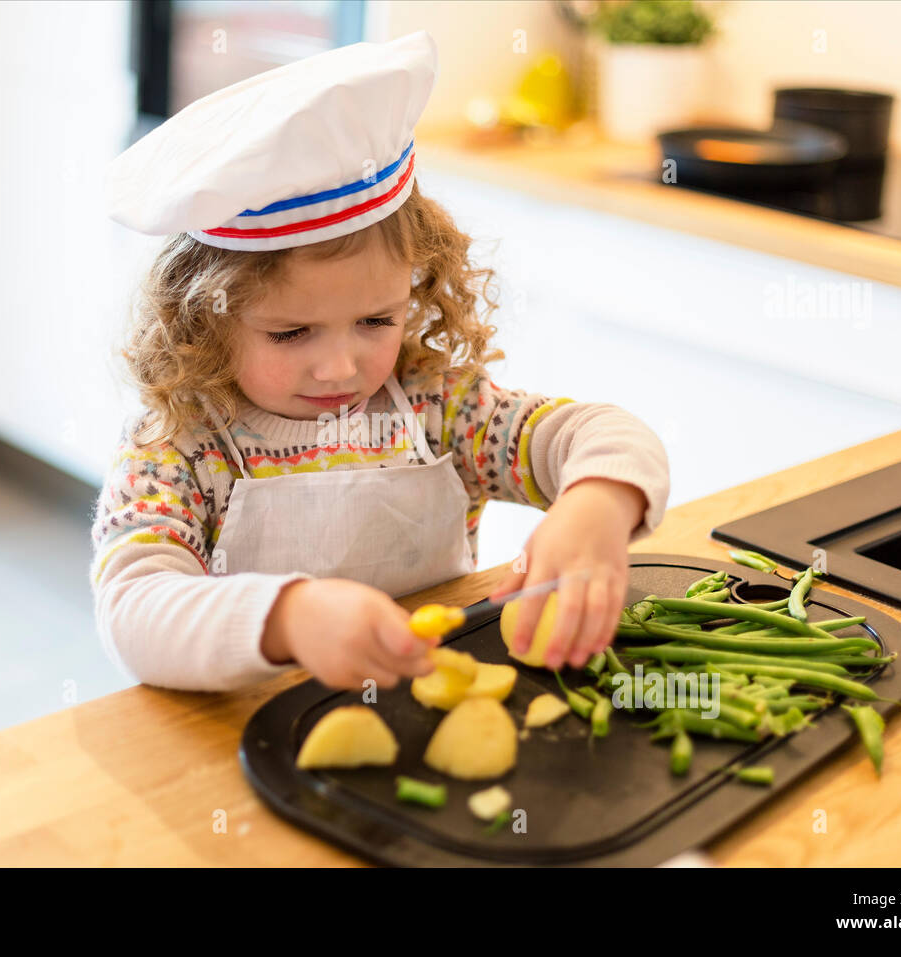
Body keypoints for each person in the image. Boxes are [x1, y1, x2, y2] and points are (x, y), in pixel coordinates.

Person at [92, 31, 669, 692]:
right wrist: (289, 617)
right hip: (246, 743)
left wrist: (597, 504)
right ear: (202, 319)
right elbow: (133, 611)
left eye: (375, 321)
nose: (339, 367)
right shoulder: (177, 451)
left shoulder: (440, 409)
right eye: (290, 333)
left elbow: (607, 436)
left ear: (416, 290)